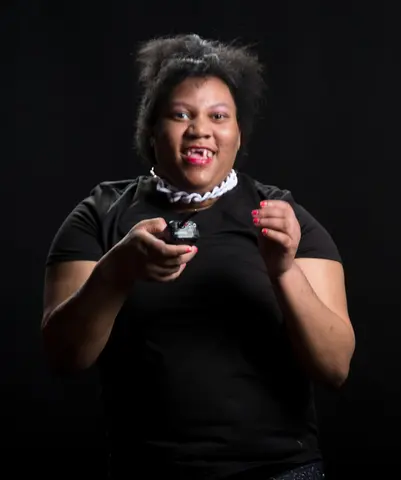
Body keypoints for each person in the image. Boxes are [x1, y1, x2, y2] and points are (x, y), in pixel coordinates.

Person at [41, 33, 355, 480]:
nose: (200, 129)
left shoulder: (285, 218)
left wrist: (282, 270)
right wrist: (117, 272)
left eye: (218, 116)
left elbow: (335, 367)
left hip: (277, 471)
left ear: (237, 133)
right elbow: (62, 356)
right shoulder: (100, 215)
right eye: (180, 114)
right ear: (151, 131)